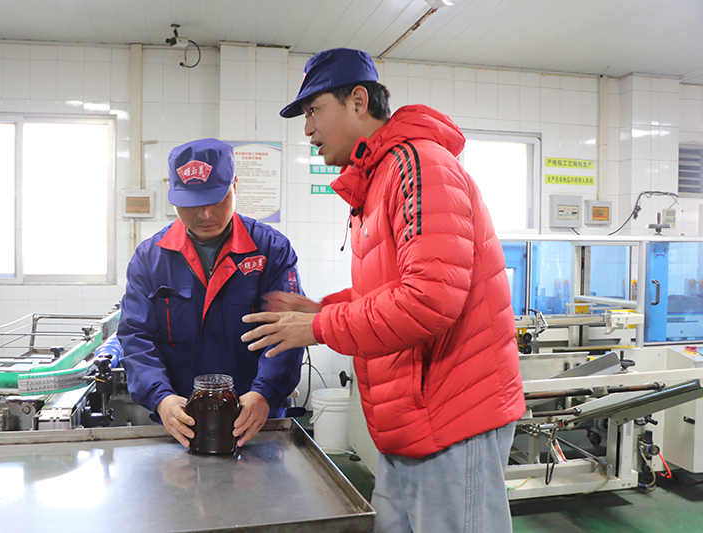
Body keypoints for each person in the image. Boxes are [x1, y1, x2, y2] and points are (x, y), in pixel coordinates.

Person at [241, 48, 525, 533]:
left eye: (313, 111)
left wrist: (319, 327)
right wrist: (321, 309)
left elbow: (430, 299)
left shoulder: (418, 164)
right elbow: (393, 288)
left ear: (357, 101)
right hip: (410, 419)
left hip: (452, 413)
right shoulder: (378, 180)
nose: (307, 130)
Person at [118, 138, 304, 448]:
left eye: (216, 199)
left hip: (257, 421)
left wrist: (264, 394)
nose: (205, 214)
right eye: (191, 203)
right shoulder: (150, 259)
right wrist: (161, 398)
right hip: (181, 426)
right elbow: (136, 337)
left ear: (235, 186)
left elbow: (289, 330)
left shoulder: (271, 250)